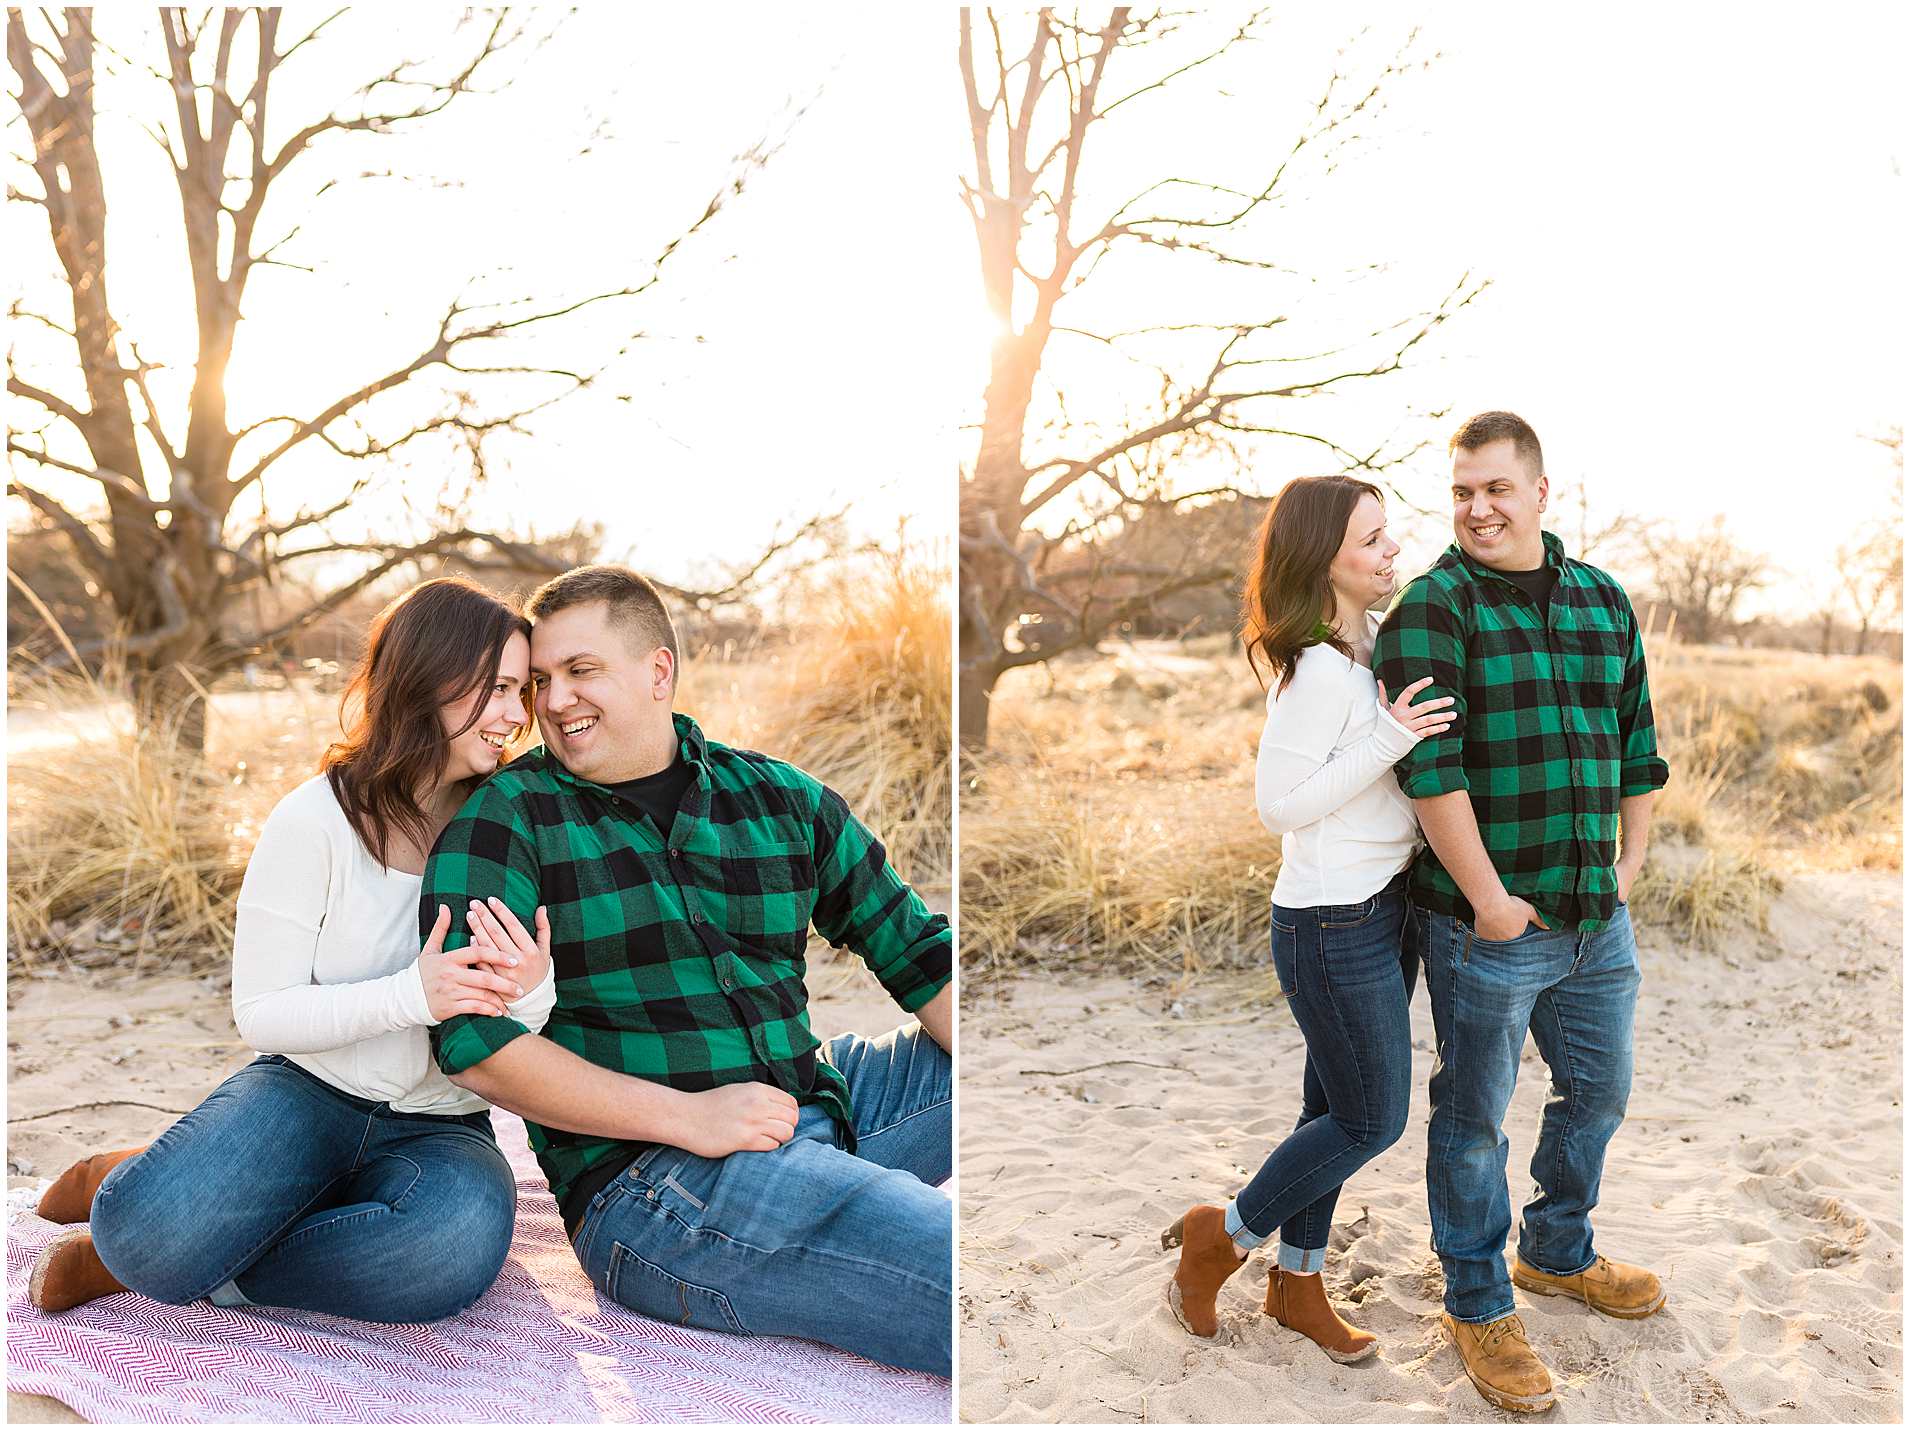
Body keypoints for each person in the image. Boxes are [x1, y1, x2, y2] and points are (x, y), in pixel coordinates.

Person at [421, 564, 954, 1377]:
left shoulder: (779, 798)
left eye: (581, 671)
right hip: (655, 1184)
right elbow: (479, 1043)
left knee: (973, 1049)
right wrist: (687, 1116)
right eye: (541, 681)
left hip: (808, 1100)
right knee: (953, 1263)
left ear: (658, 670)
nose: (555, 701)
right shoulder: (507, 821)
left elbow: (918, 953)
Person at [28, 578, 557, 1322]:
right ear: (430, 676)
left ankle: (213, 1269)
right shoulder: (317, 819)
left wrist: (531, 990)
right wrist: (413, 994)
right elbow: (263, 1012)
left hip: (443, 1122)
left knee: (451, 1251)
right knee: (144, 1232)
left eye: (520, 691)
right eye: (497, 687)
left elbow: (521, 1021)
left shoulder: (515, 822)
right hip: (307, 1091)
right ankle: (128, 1198)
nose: (515, 715)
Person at [1373, 411, 1670, 1415]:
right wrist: (1487, 899)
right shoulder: (1431, 609)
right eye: (1461, 491)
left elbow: (1634, 740)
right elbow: (1428, 769)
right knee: (1471, 1118)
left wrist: (1630, 859)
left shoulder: (1599, 599)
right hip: (1487, 929)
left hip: (1596, 920)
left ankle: (1556, 1249)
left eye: (1496, 489)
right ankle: (1476, 1298)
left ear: (1540, 492)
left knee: (1597, 1095)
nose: (1476, 508)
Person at [1163, 475, 1453, 1360]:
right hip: (1331, 924)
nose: (1390, 551)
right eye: (1371, 540)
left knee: (1328, 1113)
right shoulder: (1320, 670)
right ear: (1325, 555)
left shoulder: (1362, 645)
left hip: (1381, 906)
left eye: (1388, 535)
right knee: (1372, 1120)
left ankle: (1298, 1282)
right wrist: (1389, 739)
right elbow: (1278, 803)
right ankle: (1223, 1240)